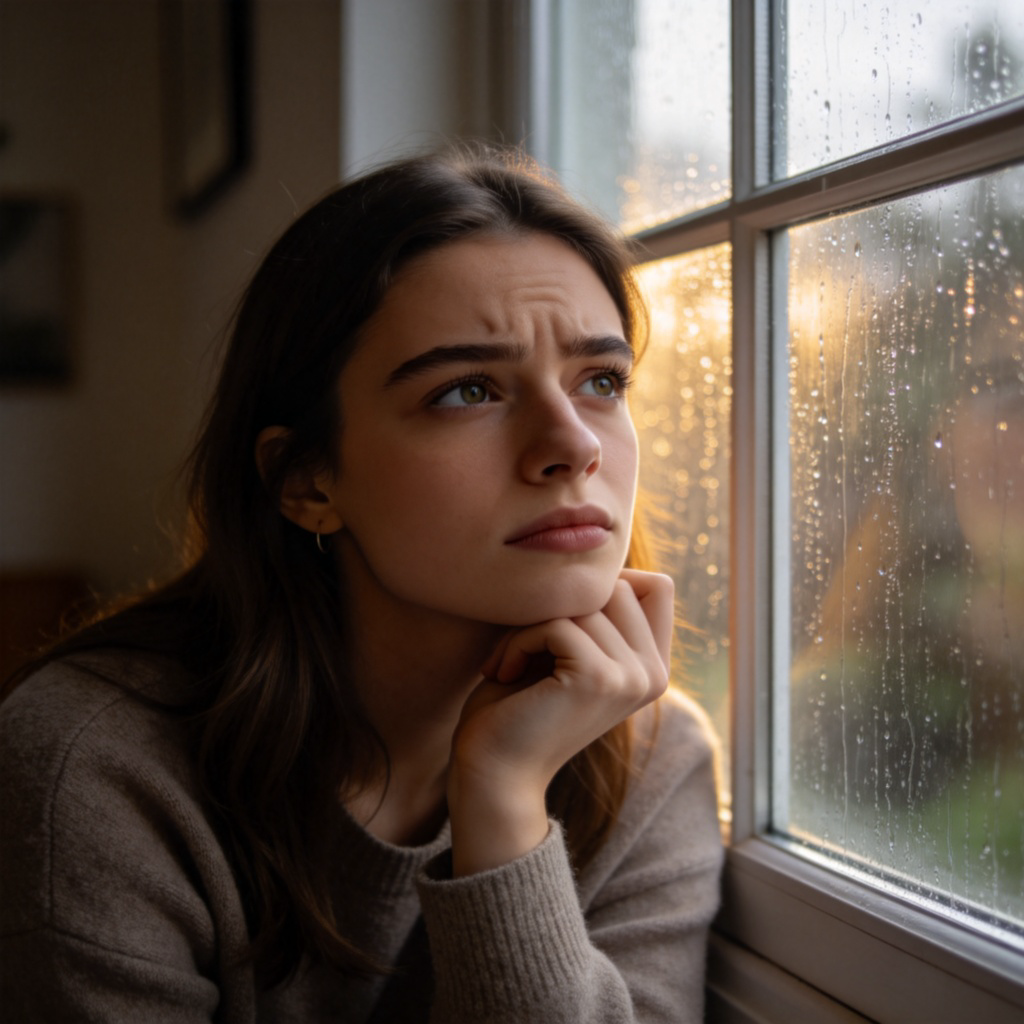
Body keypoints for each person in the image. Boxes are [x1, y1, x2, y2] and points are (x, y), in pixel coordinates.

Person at [0, 146, 723, 1022]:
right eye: (467, 391)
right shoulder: (98, 768)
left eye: (601, 380)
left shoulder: (646, 757)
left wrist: (501, 801)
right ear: (307, 481)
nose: (574, 444)